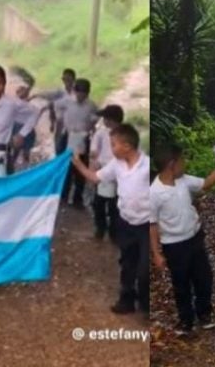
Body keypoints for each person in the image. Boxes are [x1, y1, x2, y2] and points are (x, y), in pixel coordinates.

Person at [70, 124, 150, 318]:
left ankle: (146, 304)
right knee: (127, 264)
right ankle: (127, 300)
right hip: (126, 222)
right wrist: (78, 164)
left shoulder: (147, 165)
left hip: (147, 225)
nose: (111, 149)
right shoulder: (116, 164)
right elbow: (95, 178)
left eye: (113, 145)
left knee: (144, 269)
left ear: (127, 146)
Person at [150, 144, 215, 336]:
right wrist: (156, 254)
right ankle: (186, 320)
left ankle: (204, 313)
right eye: (182, 161)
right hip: (174, 245)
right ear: (172, 164)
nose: (185, 164)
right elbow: (151, 225)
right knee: (181, 283)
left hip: (194, 238)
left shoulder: (183, 181)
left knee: (204, 278)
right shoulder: (154, 192)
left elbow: (205, 184)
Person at [55, 79, 99, 208]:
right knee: (65, 167)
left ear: (88, 93)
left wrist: (90, 126)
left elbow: (95, 118)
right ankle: (63, 196)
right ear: (75, 92)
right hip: (68, 135)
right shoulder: (67, 101)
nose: (81, 96)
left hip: (82, 138)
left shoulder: (91, 105)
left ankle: (77, 199)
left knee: (81, 169)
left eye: (84, 94)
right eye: (79, 93)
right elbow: (56, 105)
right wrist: (60, 118)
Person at [90, 105, 123, 241]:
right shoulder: (102, 133)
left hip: (118, 174)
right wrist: (94, 158)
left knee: (114, 206)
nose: (103, 120)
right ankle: (100, 228)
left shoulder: (125, 135)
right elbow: (94, 147)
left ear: (112, 120)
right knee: (98, 203)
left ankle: (114, 232)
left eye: (105, 118)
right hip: (103, 171)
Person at [31, 68, 77, 155]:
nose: (66, 82)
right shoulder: (60, 92)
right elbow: (49, 94)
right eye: (64, 79)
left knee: (72, 150)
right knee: (59, 147)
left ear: (74, 79)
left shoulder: (78, 93)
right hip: (61, 124)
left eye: (69, 79)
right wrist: (36, 95)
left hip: (74, 126)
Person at [8, 84, 44, 174]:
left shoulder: (16, 103)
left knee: (21, 151)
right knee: (15, 151)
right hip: (22, 129)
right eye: (20, 91)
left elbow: (21, 105)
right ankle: (15, 168)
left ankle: (19, 168)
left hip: (20, 129)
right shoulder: (16, 103)